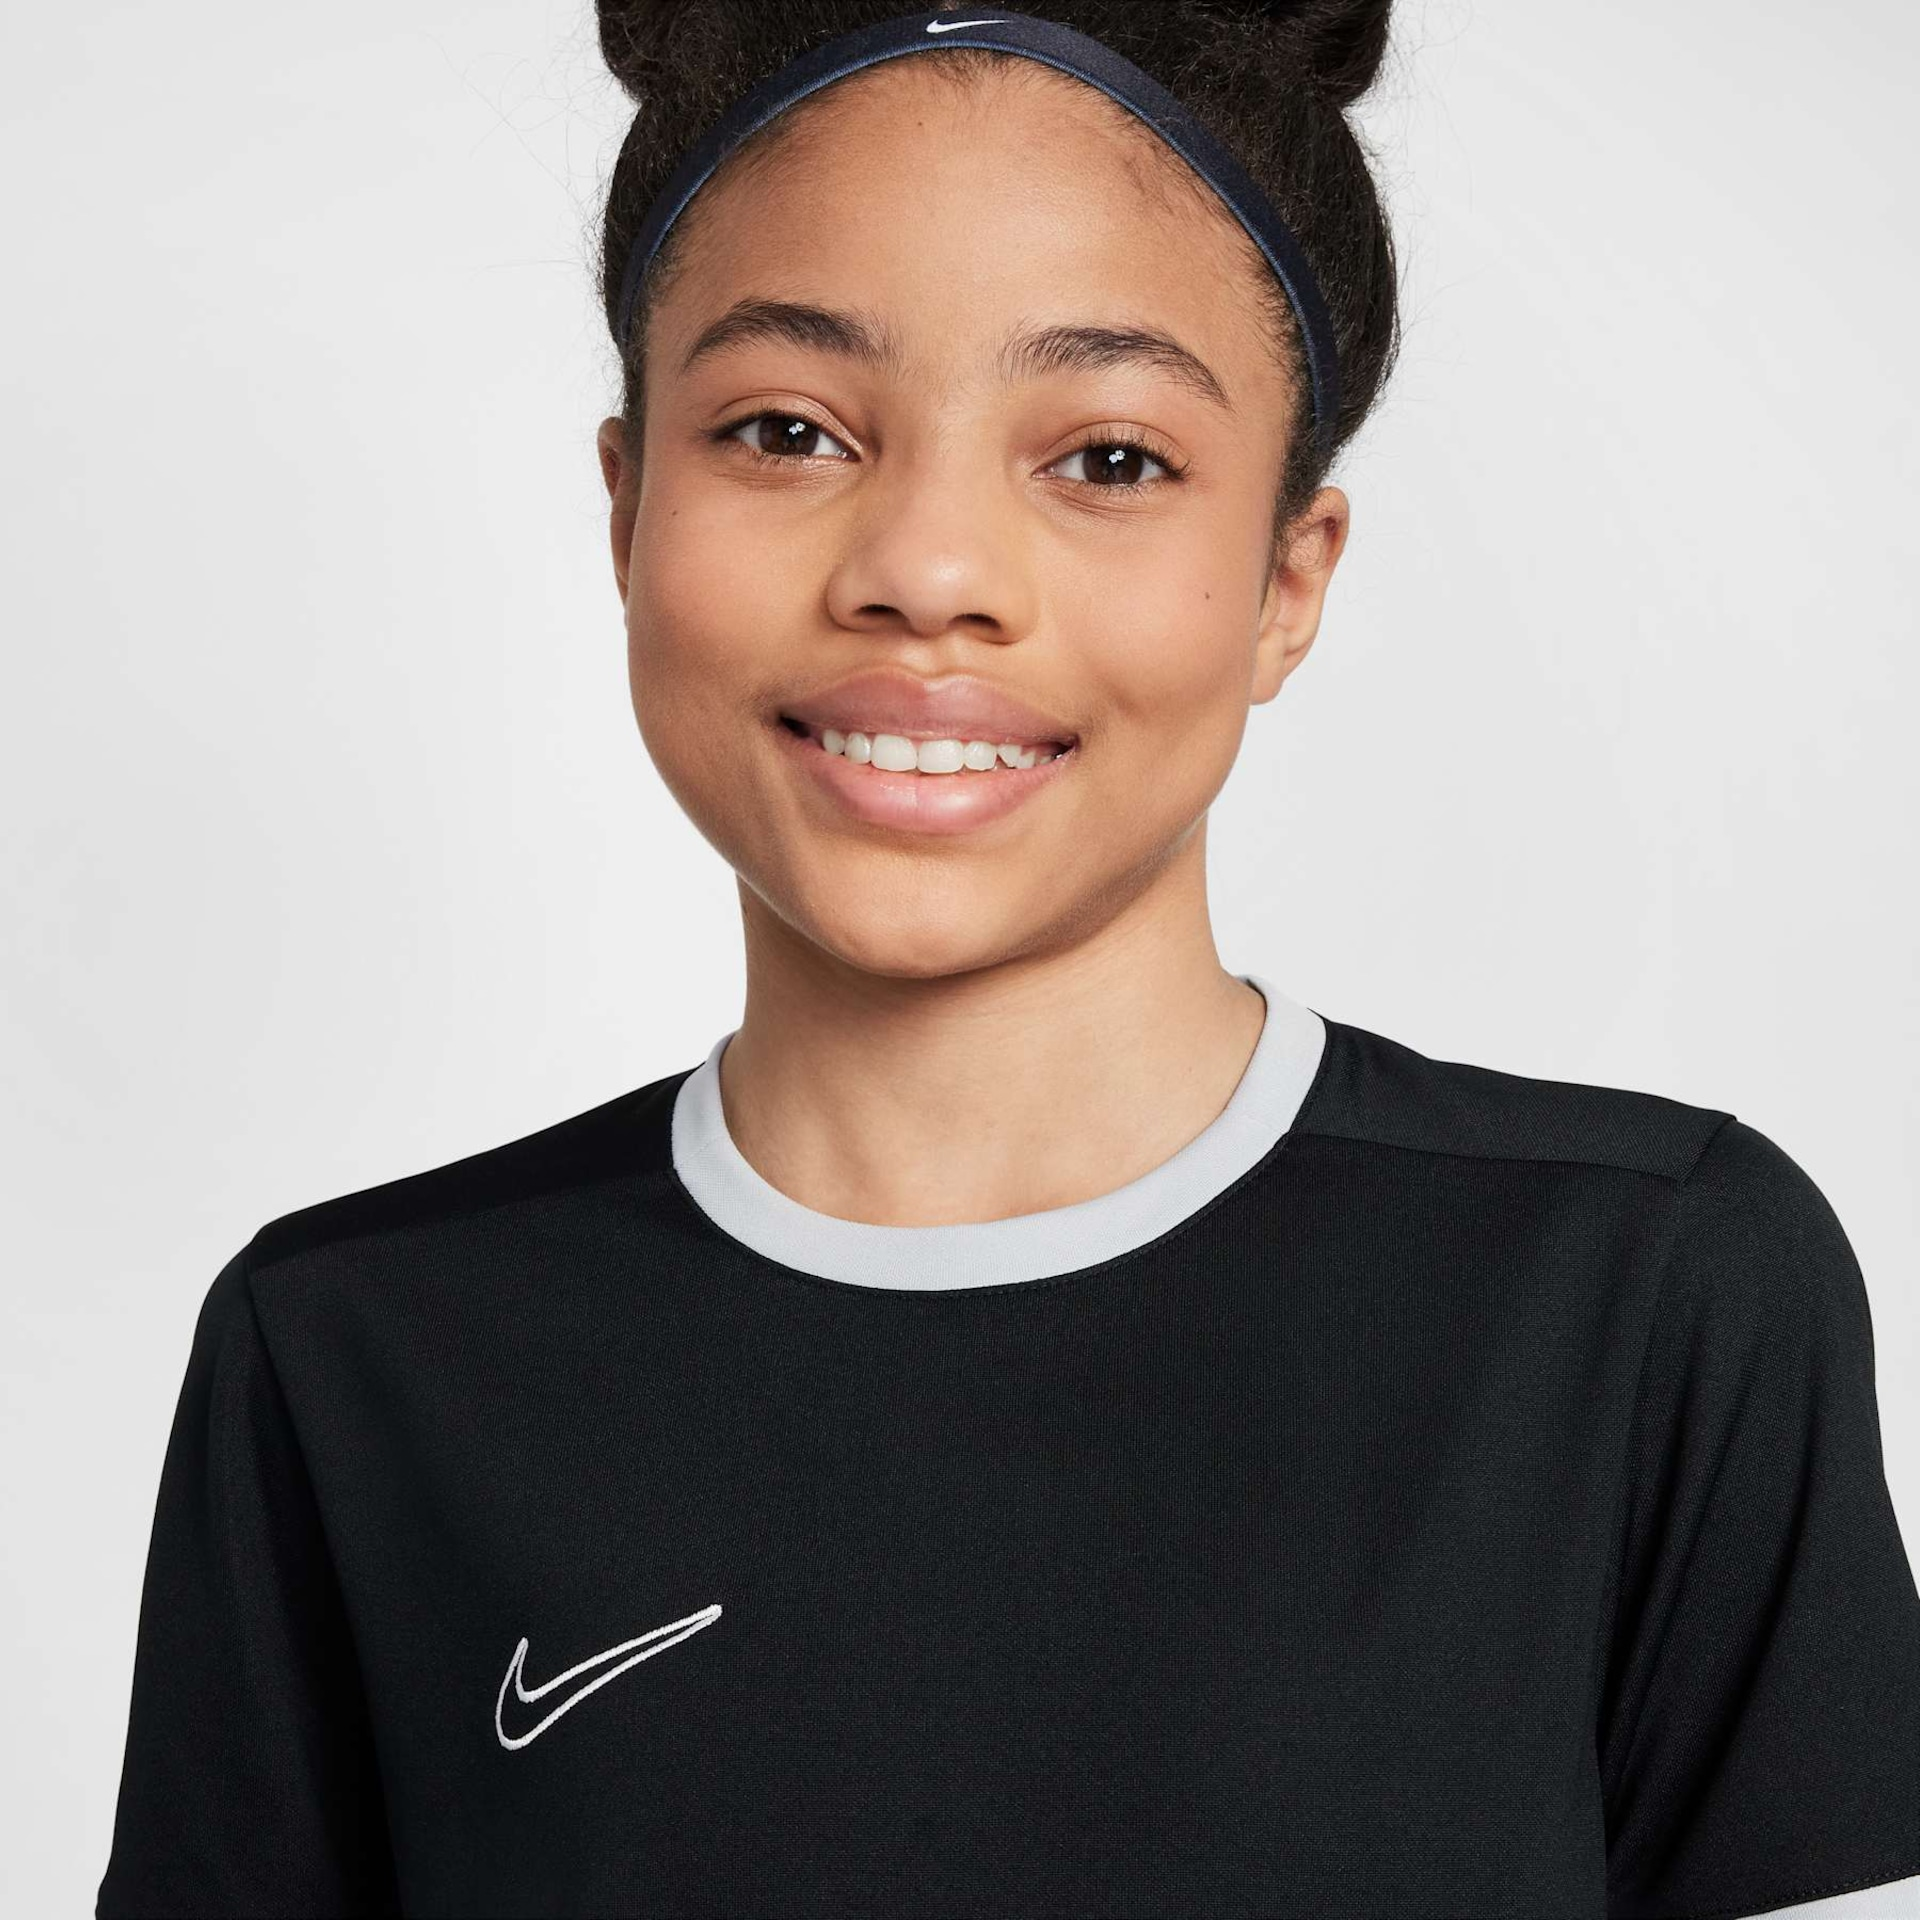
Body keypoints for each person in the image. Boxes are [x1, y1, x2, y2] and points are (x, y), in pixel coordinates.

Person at [96, 4, 1920, 1916]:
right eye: (786, 431)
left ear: (1289, 580)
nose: (930, 568)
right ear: (627, 509)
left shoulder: (1640, 1295)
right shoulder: (351, 1353)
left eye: (1110, 457)